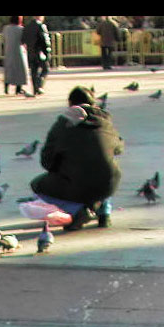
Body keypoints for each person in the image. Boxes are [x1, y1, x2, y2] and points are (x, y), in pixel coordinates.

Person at [30, 86, 123, 230]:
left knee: (38, 185)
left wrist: (61, 168)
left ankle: (78, 211)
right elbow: (119, 148)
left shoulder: (62, 125)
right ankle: (104, 212)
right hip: (108, 184)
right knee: (103, 167)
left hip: (77, 185)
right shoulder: (105, 122)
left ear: (70, 104)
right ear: (93, 103)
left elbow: (47, 161)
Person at [22, 15, 51, 95]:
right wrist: (47, 51)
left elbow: (23, 40)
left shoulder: (27, 27)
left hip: (30, 52)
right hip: (40, 52)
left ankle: (35, 89)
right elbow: (45, 40)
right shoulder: (41, 26)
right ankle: (39, 85)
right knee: (45, 69)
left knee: (34, 72)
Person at [1, 16, 29, 95]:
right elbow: (24, 41)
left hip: (8, 51)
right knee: (20, 70)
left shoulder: (6, 28)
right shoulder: (21, 29)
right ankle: (18, 88)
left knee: (9, 70)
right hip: (19, 51)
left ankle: (6, 87)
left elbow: (4, 39)